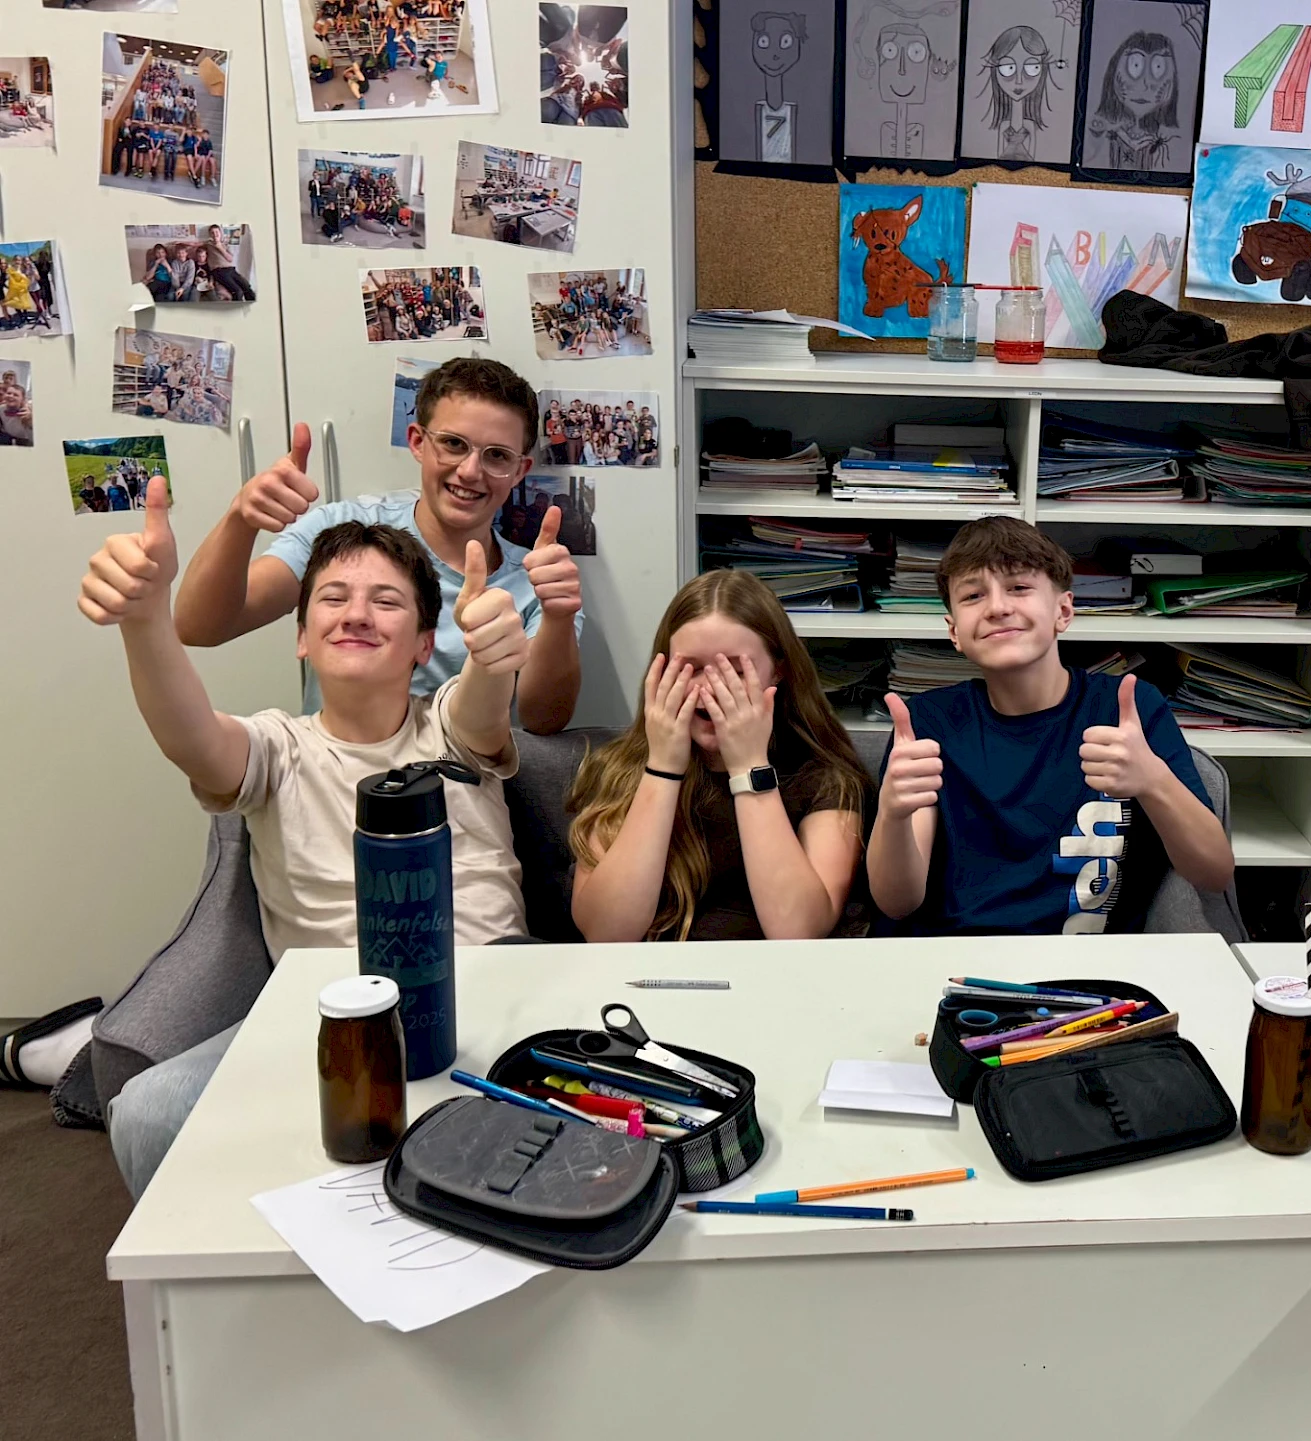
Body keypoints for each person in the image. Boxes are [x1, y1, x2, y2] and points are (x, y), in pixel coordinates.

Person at [80, 492, 531, 1197]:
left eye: (386, 601)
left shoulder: (449, 726)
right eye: (334, 598)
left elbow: (482, 702)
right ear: (301, 637)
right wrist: (144, 620)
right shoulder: (276, 747)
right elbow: (191, 735)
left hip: (487, 991)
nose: (356, 614)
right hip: (329, 1019)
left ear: (424, 644)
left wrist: (492, 652)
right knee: (150, 1111)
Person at [172, 357, 585, 733]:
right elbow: (199, 628)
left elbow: (544, 719)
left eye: (496, 455)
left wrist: (559, 615)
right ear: (418, 442)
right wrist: (240, 520)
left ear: (519, 470)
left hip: (462, 781)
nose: (470, 471)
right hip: (336, 775)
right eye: (453, 444)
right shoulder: (344, 531)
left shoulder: (539, 580)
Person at [866, 517, 1234, 933]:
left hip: (1084, 961)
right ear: (954, 632)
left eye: (1019, 587)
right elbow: (897, 903)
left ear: (1063, 610)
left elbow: (1213, 874)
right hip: (955, 955)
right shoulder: (926, 722)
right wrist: (893, 814)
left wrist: (1153, 781)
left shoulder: (1129, 709)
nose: (997, 607)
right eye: (972, 595)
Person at [569, 569, 871, 941]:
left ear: (778, 671)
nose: (709, 689)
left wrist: (749, 767)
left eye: (734, 671)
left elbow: (798, 931)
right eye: (690, 668)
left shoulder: (825, 779)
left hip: (773, 973)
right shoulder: (618, 770)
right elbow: (605, 934)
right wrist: (663, 769)